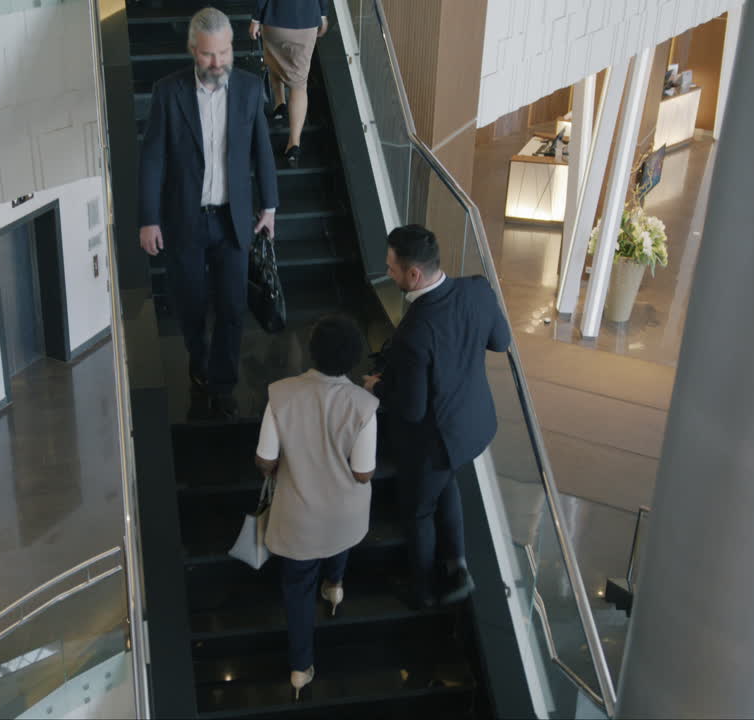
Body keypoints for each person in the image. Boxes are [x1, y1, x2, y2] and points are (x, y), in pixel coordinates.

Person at [139, 7, 280, 419]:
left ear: (232, 48)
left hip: (233, 219)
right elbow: (152, 160)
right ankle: (198, 361)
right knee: (190, 304)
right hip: (185, 218)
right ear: (192, 51)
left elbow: (262, 150)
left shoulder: (251, 89)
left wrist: (269, 205)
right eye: (207, 55)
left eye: (222, 53)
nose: (216, 63)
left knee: (233, 307)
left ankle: (223, 381)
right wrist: (148, 218)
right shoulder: (169, 92)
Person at [363, 225, 511, 609]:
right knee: (447, 483)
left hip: (435, 440)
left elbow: (411, 409)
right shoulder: (478, 289)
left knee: (419, 511)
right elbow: (501, 341)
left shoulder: (414, 330)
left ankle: (424, 592)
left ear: (414, 274)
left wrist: (376, 387)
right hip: (475, 425)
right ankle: (457, 565)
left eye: (392, 268)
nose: (389, 274)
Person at [255, 315, 378, 699]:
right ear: (354, 358)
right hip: (343, 513)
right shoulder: (365, 404)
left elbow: (265, 459)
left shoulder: (281, 394)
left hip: (298, 515)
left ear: (311, 352)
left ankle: (299, 667)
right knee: (338, 536)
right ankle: (335, 587)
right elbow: (363, 474)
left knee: (295, 587)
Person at [249, 0, 330, 167]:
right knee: (299, 86)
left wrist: (255, 19)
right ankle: (294, 143)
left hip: (275, 20)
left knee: (274, 61)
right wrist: (322, 14)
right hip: (307, 22)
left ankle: (279, 103)